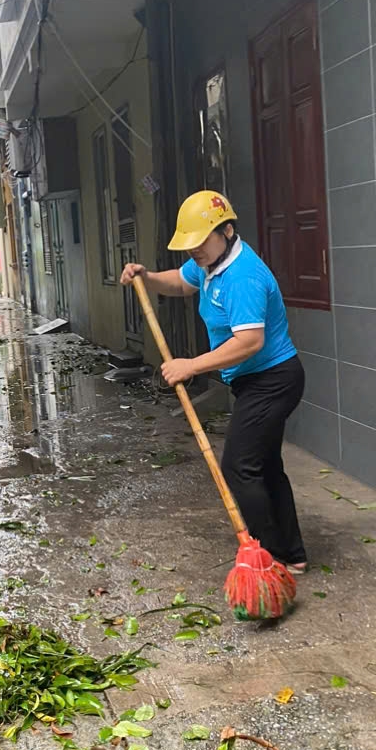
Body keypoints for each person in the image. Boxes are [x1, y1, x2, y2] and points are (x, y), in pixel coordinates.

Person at [121, 191, 307, 574]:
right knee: (265, 466)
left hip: (272, 380)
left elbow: (249, 341)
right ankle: (291, 553)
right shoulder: (210, 265)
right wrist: (147, 277)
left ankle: (267, 559)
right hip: (254, 381)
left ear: (227, 230)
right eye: (189, 245)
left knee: (239, 466)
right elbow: (180, 283)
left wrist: (191, 366)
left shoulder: (243, 276)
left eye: (200, 242)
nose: (194, 252)